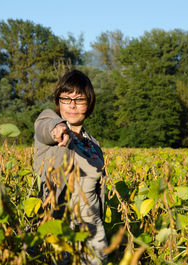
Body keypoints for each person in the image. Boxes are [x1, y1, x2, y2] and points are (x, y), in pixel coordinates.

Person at [33, 69, 108, 264]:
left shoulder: (93, 144)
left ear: (89, 103)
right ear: (58, 101)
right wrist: (57, 130)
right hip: (59, 228)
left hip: (92, 231)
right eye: (66, 98)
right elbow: (44, 127)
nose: (72, 105)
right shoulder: (51, 123)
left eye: (80, 99)